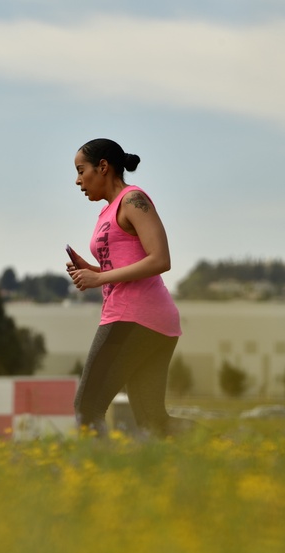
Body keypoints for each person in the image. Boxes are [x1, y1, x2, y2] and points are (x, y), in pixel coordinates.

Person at [66, 138, 185, 438]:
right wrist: (93, 270)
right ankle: (232, 450)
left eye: (82, 170)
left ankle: (99, 478)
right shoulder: (107, 212)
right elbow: (125, 266)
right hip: (150, 320)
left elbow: (160, 259)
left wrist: (99, 279)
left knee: (87, 406)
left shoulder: (133, 200)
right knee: (153, 421)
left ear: (103, 167)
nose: (78, 180)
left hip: (133, 317)